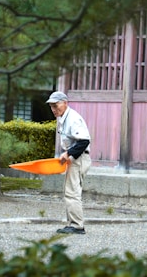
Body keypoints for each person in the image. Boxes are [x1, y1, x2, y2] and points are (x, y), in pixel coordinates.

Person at [46, 91, 91, 235]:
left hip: (79, 158)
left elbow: (84, 141)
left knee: (72, 192)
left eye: (56, 105)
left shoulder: (73, 118)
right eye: (51, 106)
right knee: (70, 191)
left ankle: (77, 225)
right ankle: (72, 223)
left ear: (65, 103)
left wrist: (68, 154)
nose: (53, 109)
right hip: (74, 158)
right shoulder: (62, 117)